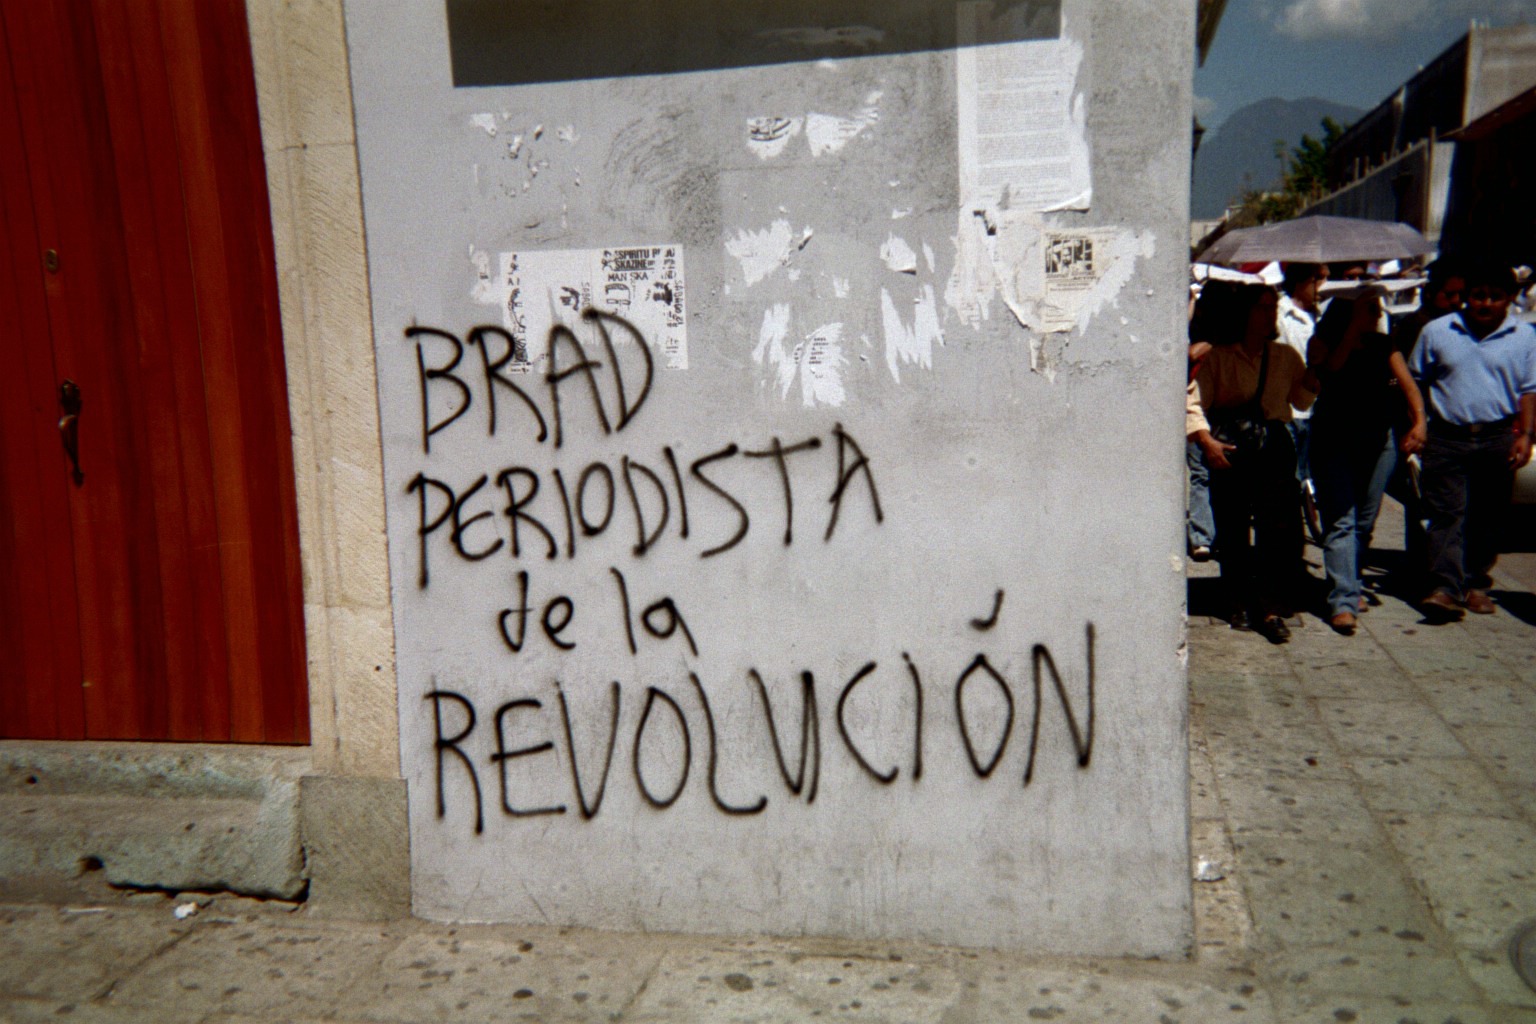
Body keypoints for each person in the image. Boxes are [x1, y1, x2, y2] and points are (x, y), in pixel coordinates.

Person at [1187, 283, 1321, 643]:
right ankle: (1237, 601)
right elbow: (1194, 403)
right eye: (1261, 307)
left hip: (1273, 448)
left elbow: (1301, 401)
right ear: (1244, 313)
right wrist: (1207, 443)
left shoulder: (1285, 356)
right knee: (1232, 530)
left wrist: (1315, 370)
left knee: (1276, 531)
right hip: (1231, 448)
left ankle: (1270, 606)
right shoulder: (1219, 357)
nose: (1269, 314)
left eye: (1271, 307)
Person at [1408, 262, 1536, 621]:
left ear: (1510, 299)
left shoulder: (1524, 336)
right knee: (1447, 514)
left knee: (1488, 515)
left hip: (1497, 438)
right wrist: (1419, 424)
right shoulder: (1438, 331)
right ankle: (1445, 588)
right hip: (1447, 437)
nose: (1486, 304)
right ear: (1467, 297)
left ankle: (1476, 583)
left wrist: (1526, 436)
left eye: (1495, 297)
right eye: (1479, 296)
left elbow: (1529, 390)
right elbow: (1416, 380)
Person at [1306, 290, 1427, 634]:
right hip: (1334, 440)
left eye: (1376, 309)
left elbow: (1409, 387)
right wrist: (1353, 329)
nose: (1377, 314)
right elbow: (1332, 368)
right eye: (1370, 309)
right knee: (1341, 520)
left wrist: (1419, 421)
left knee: (1363, 521)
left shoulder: (1384, 345)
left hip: (1377, 442)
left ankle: (1351, 581)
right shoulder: (1324, 342)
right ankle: (1343, 601)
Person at [1277, 264, 1327, 542]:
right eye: (1316, 279)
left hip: (1318, 407)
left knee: (1313, 475)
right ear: (1299, 282)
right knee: (1291, 478)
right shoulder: (1280, 314)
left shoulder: (1322, 315)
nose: (1322, 285)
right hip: (1292, 409)